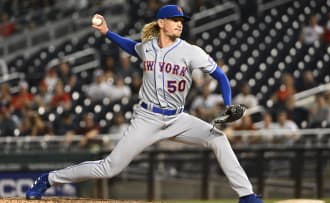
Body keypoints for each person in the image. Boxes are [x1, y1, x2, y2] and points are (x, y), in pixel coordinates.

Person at [26, 5, 264, 203]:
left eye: (181, 20)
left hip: (177, 119)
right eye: (174, 20)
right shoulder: (148, 47)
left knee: (218, 138)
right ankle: (49, 179)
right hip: (146, 119)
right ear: (161, 23)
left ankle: (246, 196)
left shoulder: (191, 51)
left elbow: (220, 76)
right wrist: (107, 32)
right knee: (110, 168)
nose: (180, 24)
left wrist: (228, 103)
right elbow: (132, 47)